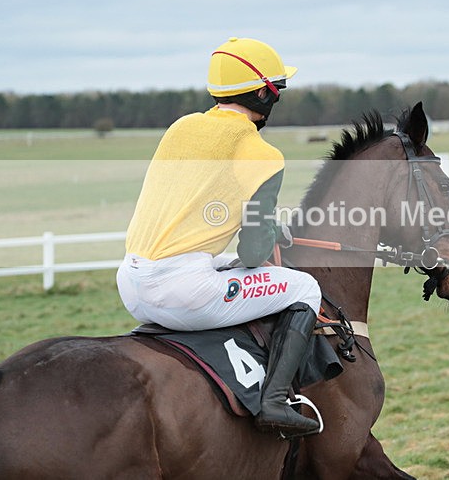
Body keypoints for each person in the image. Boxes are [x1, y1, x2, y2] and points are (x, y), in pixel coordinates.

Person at [117, 37, 321, 436]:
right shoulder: (262, 153)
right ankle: (275, 402)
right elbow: (253, 252)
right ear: (266, 93)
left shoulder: (181, 128)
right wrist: (266, 232)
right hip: (183, 290)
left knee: (219, 264)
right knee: (305, 288)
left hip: (130, 282)